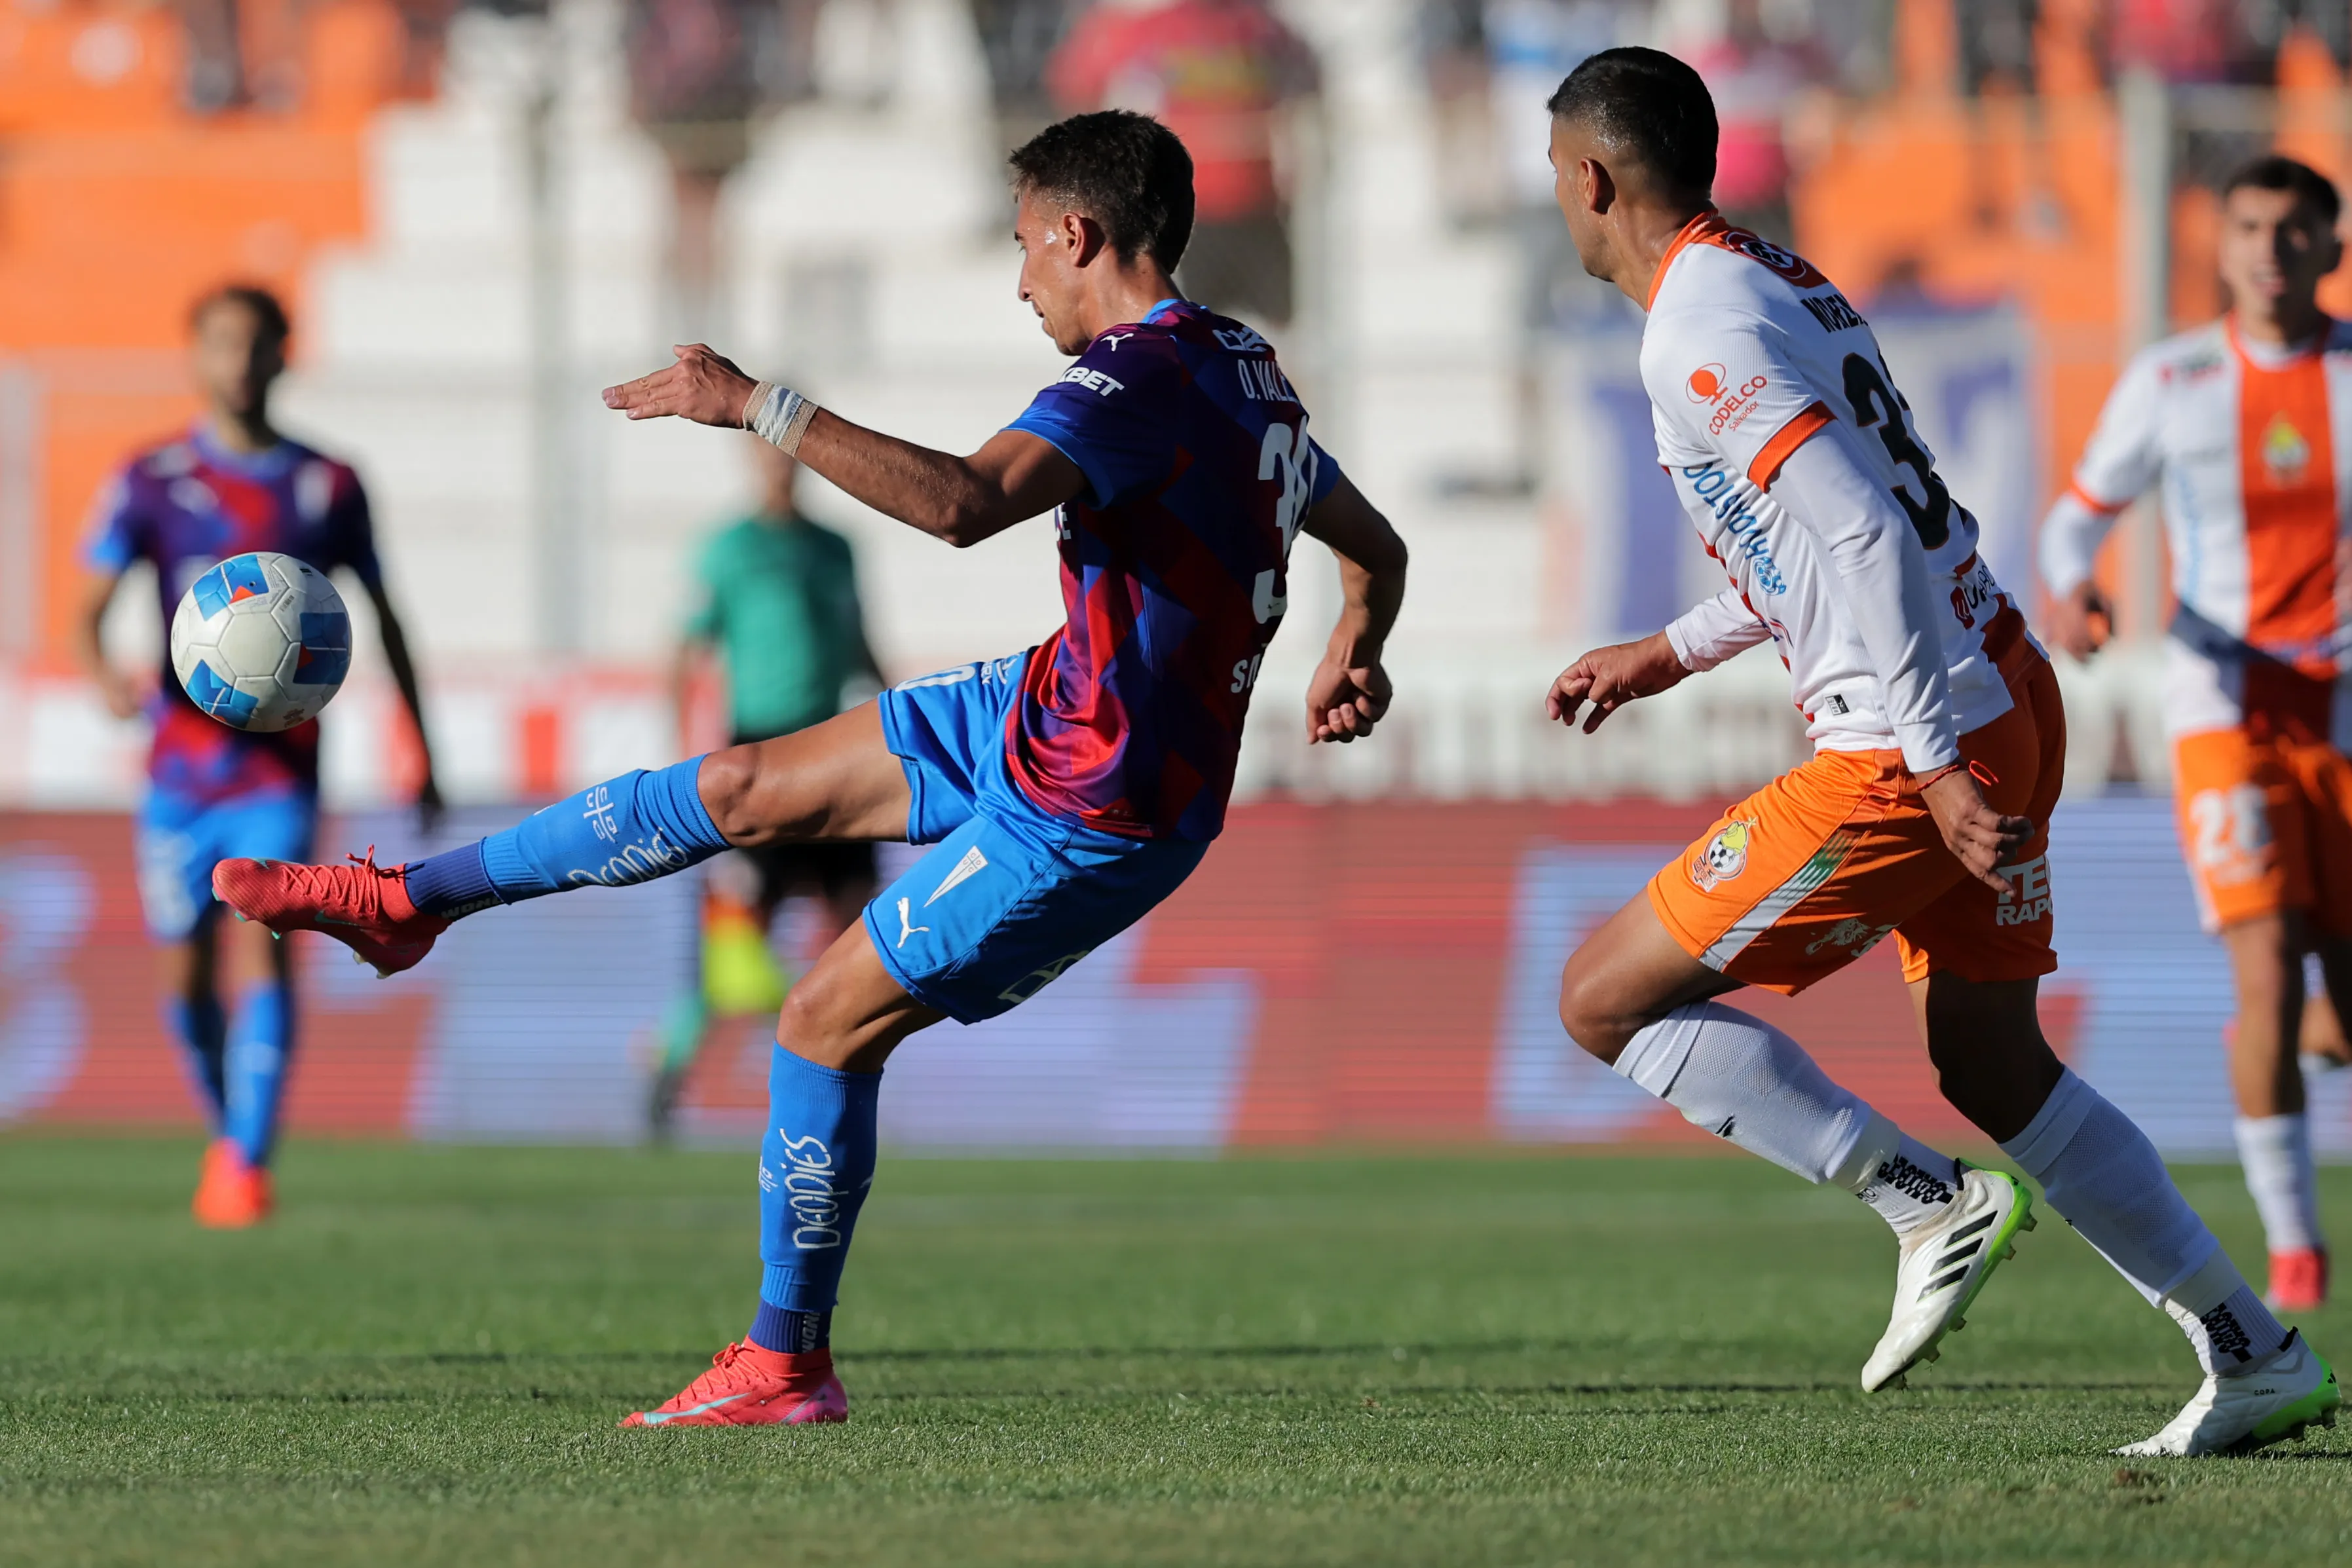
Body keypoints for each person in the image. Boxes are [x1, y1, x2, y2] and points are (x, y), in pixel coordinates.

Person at [214, 109, 1408, 1428]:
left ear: (1077, 235)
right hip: (1049, 704)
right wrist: (1354, 636)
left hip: (1099, 804)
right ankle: (408, 905)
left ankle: (787, 1363)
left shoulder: (1126, 383)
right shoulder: (1240, 365)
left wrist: (759, 407)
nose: (1019, 282)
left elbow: (962, 505)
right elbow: (1373, 542)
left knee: (818, 1024)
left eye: (1024, 250)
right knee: (735, 788)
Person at [1542, 48, 2337, 1456]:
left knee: (1601, 1001)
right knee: (1991, 1063)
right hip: (2004, 680)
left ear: (1593, 179)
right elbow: (1828, 530)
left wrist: (1931, 760)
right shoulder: (1774, 276)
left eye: (1557, 179)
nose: (1557, 202)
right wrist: (1668, 650)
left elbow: (1851, 532)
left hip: (1912, 742)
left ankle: (1928, 1202)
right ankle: (2251, 1347)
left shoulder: (1693, 328)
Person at [2042, 155, 2352, 1315]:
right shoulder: (2170, 378)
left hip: (2345, 710)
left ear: (2330, 246)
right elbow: (2076, 517)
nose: (2269, 249)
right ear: (2218, 246)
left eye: (2293, 229)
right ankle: (2295, 1250)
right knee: (2264, 966)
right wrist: (2071, 591)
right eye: (2249, 227)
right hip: (2220, 706)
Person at [73, 283, 441, 1227]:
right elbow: (87, 605)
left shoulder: (328, 483)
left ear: (284, 353)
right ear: (194, 355)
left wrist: (421, 745)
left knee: (263, 947)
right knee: (185, 979)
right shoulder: (149, 475)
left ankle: (246, 1160)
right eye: (221, 343)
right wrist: (104, 676)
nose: (239, 361)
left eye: (256, 342)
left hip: (279, 769)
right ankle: (228, 1130)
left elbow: (389, 615)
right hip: (175, 772)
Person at [649, 435, 884, 1138]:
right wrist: (681, 755)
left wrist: (898, 711)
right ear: (754, 463)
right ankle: (667, 1072)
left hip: (834, 755)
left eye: (791, 454)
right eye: (771, 454)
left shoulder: (837, 547)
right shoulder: (727, 550)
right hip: (757, 757)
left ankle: (847, 1084)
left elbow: (861, 641)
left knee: (862, 934)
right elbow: (684, 651)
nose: (782, 465)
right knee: (732, 950)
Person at [1047, 0, 1318, 327]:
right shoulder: (1160, 28)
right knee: (1191, 334)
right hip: (1190, 214)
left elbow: (1310, 79)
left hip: (1259, 205)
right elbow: (1078, 78)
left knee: (1282, 334)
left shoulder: (1263, 26)